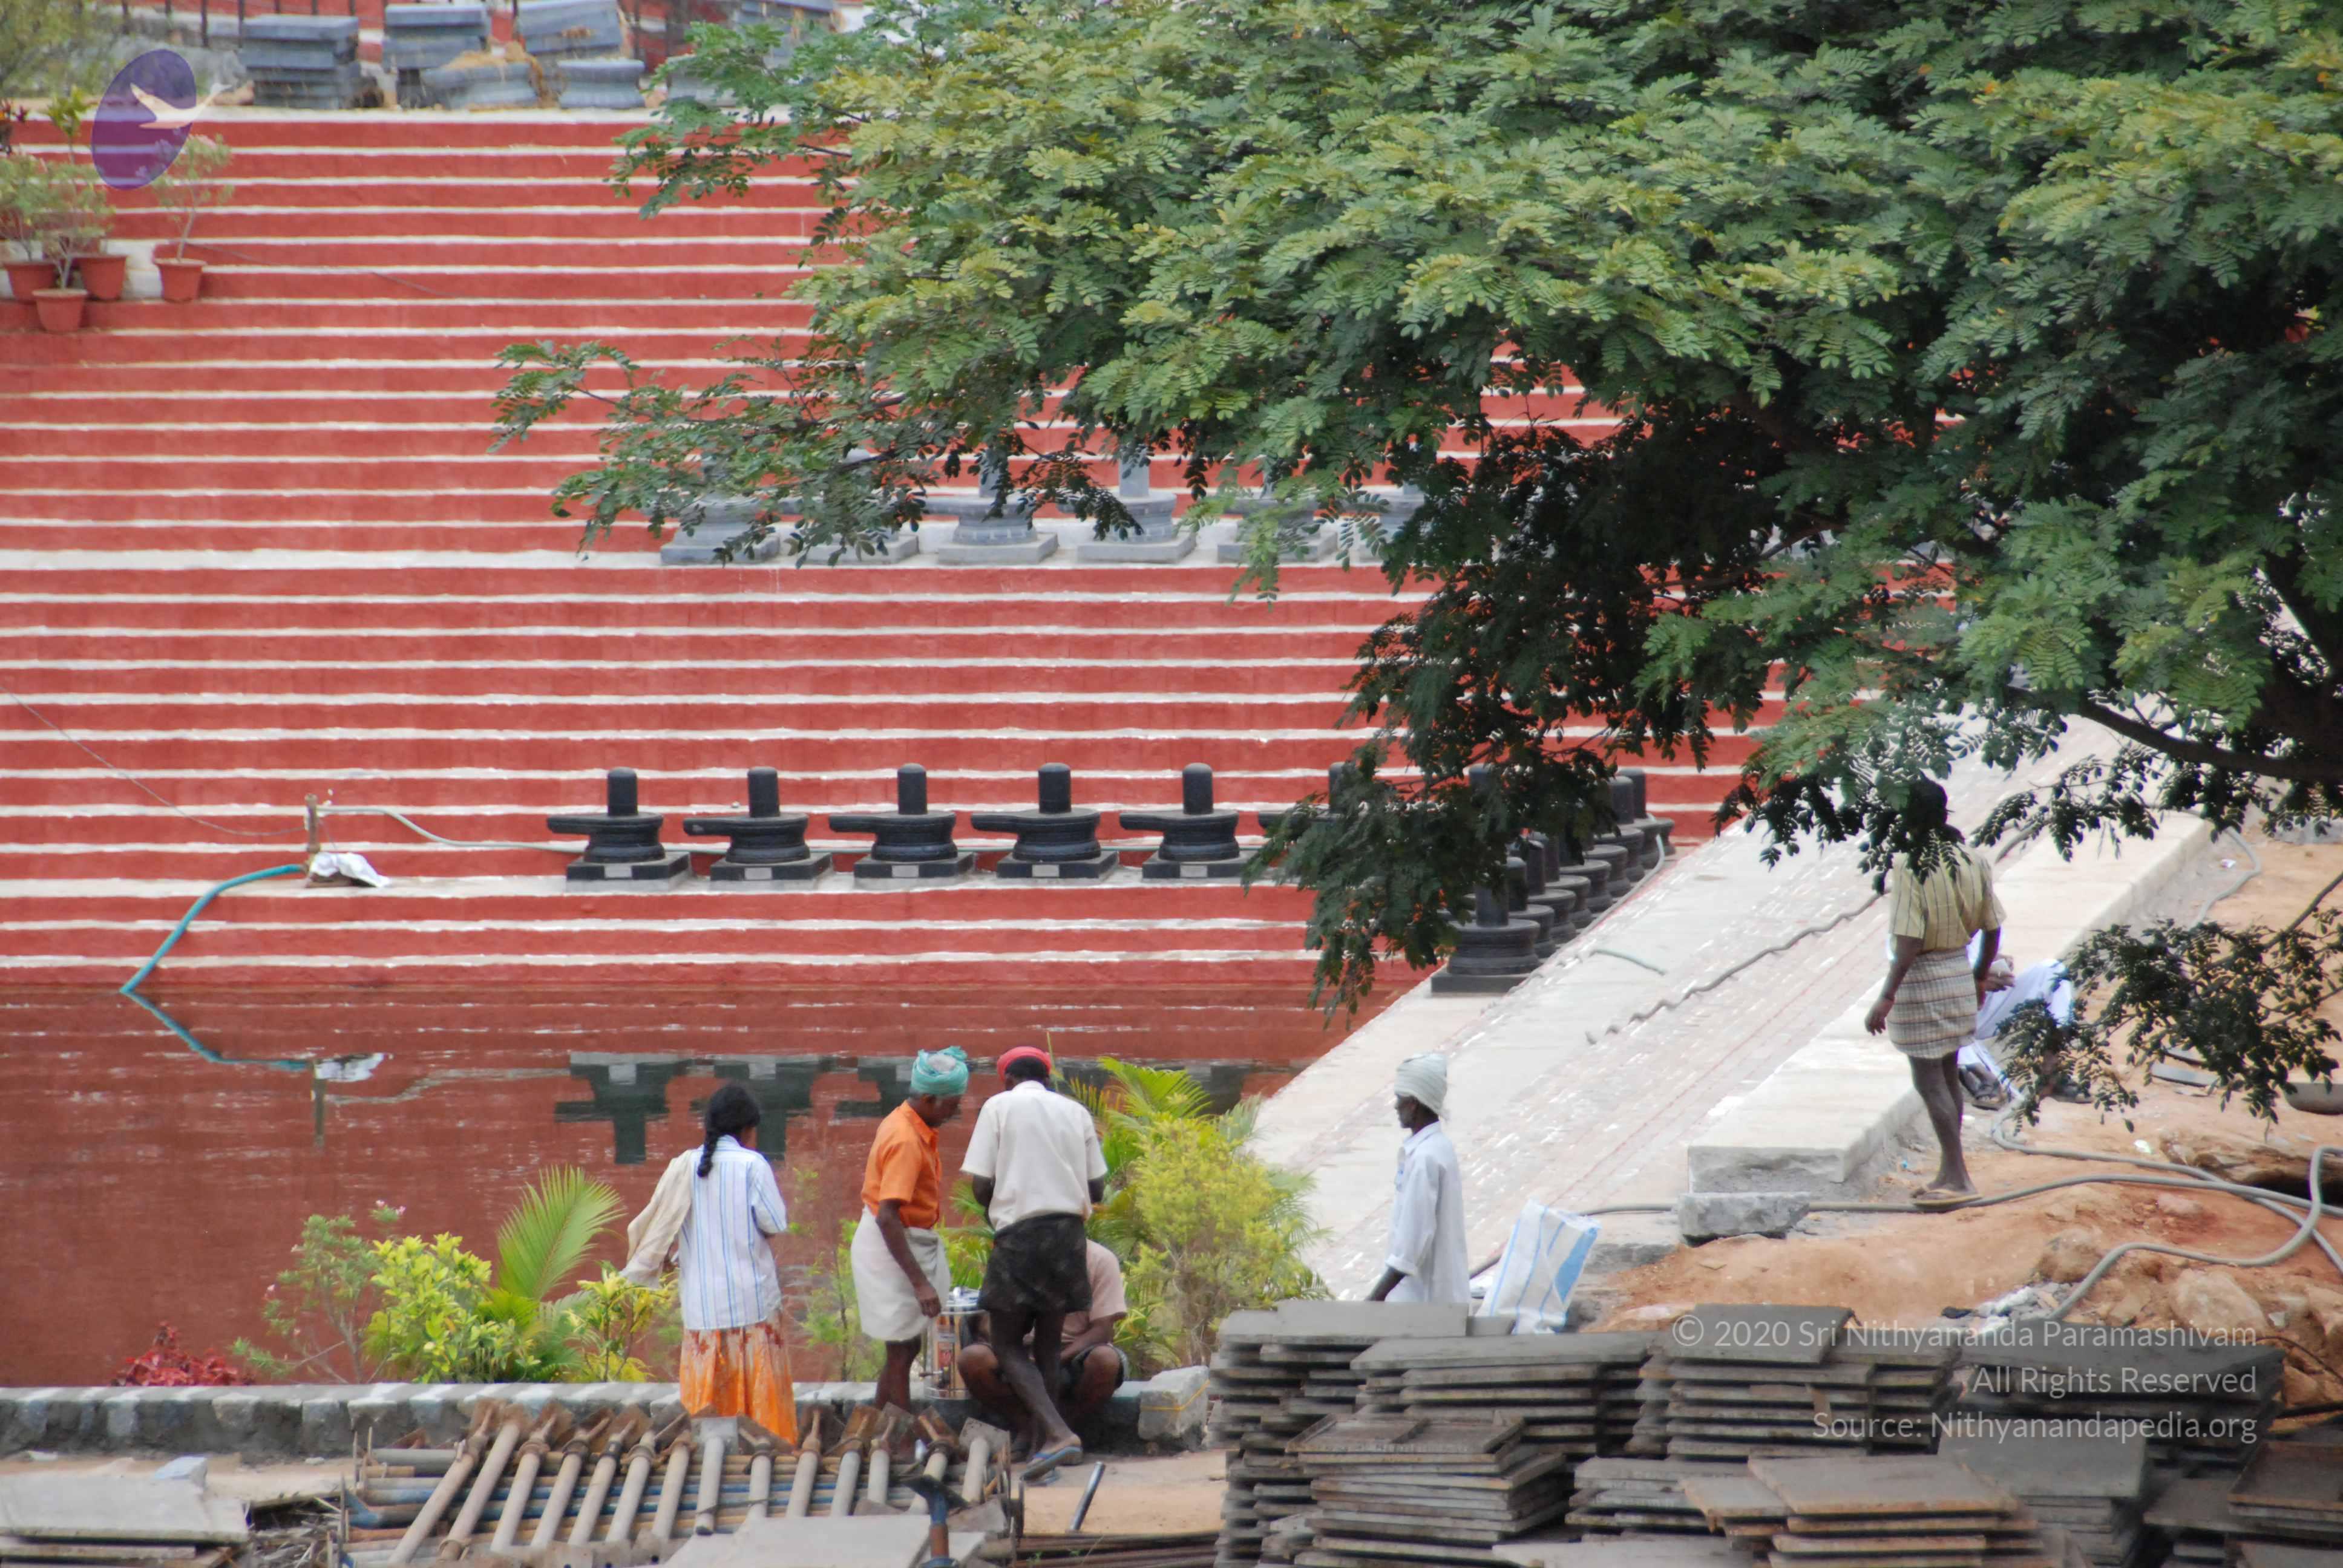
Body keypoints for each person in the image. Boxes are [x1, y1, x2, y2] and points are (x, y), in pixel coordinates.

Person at [619, 1082, 798, 1442]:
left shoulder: (683, 1167)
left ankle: (709, 1457)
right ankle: (766, 1453)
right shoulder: (752, 1166)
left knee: (708, 1408)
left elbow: (665, 1224)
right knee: (760, 1408)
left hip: (702, 1310)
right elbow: (776, 1223)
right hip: (752, 1306)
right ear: (748, 1128)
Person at [960, 1045, 1107, 1480]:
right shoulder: (1075, 1112)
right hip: (1069, 1236)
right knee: (1046, 1345)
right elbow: (1097, 1189)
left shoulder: (998, 1107)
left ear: (1007, 1080)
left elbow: (981, 1185)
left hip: (1021, 1235)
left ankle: (1059, 1434)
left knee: (1006, 1343)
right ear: (1046, 1077)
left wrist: (1002, 1203)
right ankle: (1046, 1448)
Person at [1864, 779, 2005, 1209]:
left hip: (1923, 980)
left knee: (1929, 1081)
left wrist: (1887, 996)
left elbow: (1908, 941)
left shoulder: (1910, 865)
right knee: (1947, 1074)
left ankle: (1959, 1177)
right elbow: (1993, 927)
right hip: (1958, 972)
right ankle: (1949, 1171)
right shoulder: (1972, 858)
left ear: (1907, 818)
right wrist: (1978, 977)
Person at [850, 1047, 969, 1414]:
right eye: (951, 1106)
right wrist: (920, 1283)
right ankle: (900, 1435)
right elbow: (888, 1217)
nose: (954, 1113)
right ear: (930, 1099)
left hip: (899, 1239)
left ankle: (878, 1425)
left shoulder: (908, 1121)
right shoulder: (905, 1140)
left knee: (904, 1346)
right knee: (902, 1348)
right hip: (891, 1242)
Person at [958, 1239, 1128, 1453]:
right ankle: (1032, 1428)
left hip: (1076, 1352)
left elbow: (1103, 1331)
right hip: (1019, 1350)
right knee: (972, 1359)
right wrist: (1013, 1350)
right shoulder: (1014, 1254)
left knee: (1106, 1361)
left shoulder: (1100, 1259)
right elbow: (989, 1322)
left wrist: (1058, 1358)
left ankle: (1062, 1429)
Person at [1367, 1053, 1470, 1304]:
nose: (1396, 1106)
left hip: (1423, 1304)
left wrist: (1374, 1299)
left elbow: (1411, 1245)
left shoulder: (1425, 1157)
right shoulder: (1437, 1147)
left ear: (1413, 1104)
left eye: (1400, 1099)